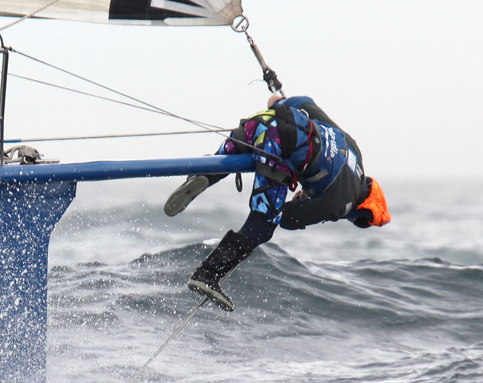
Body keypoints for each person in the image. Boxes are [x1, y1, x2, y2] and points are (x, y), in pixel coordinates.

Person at [165, 95, 390, 311]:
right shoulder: (345, 203)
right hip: (282, 144)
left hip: (261, 123)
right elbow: (289, 219)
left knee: (231, 156)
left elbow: (305, 102)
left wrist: (278, 102)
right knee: (263, 225)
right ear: (362, 210)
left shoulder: (353, 150)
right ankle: (208, 275)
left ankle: (203, 176)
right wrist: (298, 202)